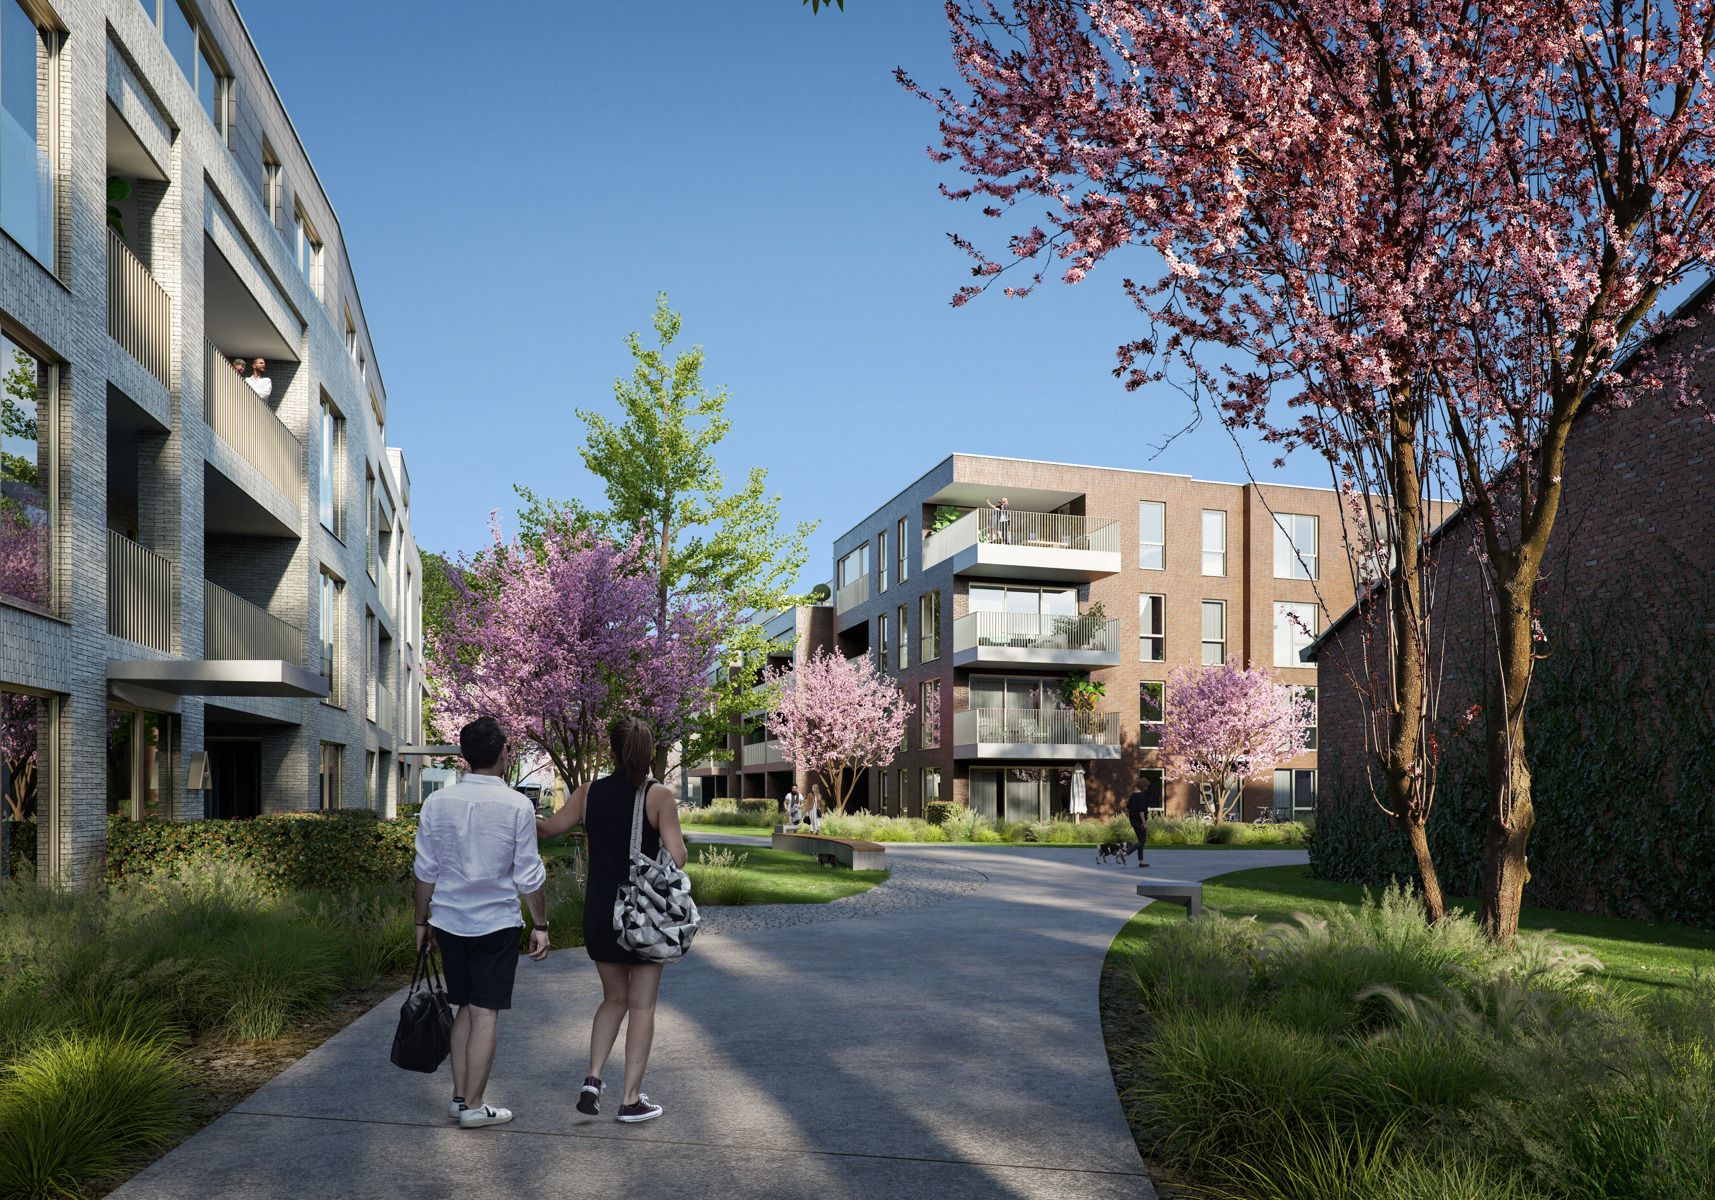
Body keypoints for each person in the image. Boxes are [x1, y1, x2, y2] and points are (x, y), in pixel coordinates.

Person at [538, 718, 687, 1124]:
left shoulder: (588, 793)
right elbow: (677, 856)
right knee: (642, 1005)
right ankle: (631, 1099)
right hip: (642, 916)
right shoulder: (658, 796)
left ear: (613, 752)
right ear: (648, 751)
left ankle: (592, 1078)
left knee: (613, 999)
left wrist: (510, 811)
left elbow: (549, 829)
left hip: (601, 912)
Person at [413, 717, 550, 1130]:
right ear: (504, 752)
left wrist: (422, 922)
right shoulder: (517, 805)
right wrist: (540, 923)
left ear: (464, 756)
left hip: (450, 921)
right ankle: (474, 1105)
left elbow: (425, 869)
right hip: (496, 923)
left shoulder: (437, 803)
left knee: (464, 1008)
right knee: (485, 1012)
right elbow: (529, 874)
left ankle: (459, 1098)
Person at [1126, 775, 1155, 868]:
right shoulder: (1140, 796)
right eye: (1146, 786)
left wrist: (1132, 818)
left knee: (1140, 840)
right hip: (1139, 821)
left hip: (1133, 820)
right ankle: (1125, 852)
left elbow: (1128, 808)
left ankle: (1141, 861)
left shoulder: (1133, 795)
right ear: (1143, 786)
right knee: (1142, 841)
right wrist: (1144, 823)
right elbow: (1141, 811)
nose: (1146, 788)